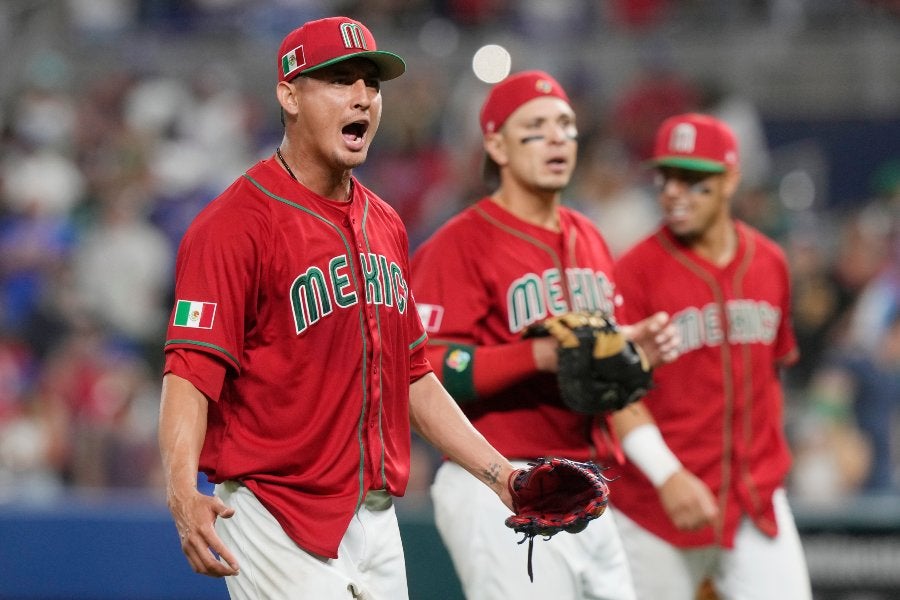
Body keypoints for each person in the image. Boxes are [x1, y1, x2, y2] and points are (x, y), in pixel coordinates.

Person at [157, 16, 520, 600]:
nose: (362, 98)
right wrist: (181, 492)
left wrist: (504, 476)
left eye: (371, 84)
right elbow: (190, 374)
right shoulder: (233, 226)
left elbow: (414, 376)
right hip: (274, 515)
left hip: (375, 519)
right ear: (289, 94)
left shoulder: (387, 224)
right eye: (338, 80)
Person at [410, 70, 680, 599]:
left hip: (587, 480)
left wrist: (632, 351)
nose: (557, 137)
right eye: (536, 126)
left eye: (566, 125)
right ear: (496, 143)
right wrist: (534, 355)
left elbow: (592, 362)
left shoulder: (590, 237)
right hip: (501, 482)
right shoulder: (460, 242)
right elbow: (423, 372)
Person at [608, 113, 813, 599]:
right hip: (655, 504)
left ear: (730, 181)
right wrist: (667, 474)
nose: (674, 191)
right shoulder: (634, 271)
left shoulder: (770, 263)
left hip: (754, 502)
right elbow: (614, 394)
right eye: (666, 177)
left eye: (693, 178)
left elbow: (773, 374)